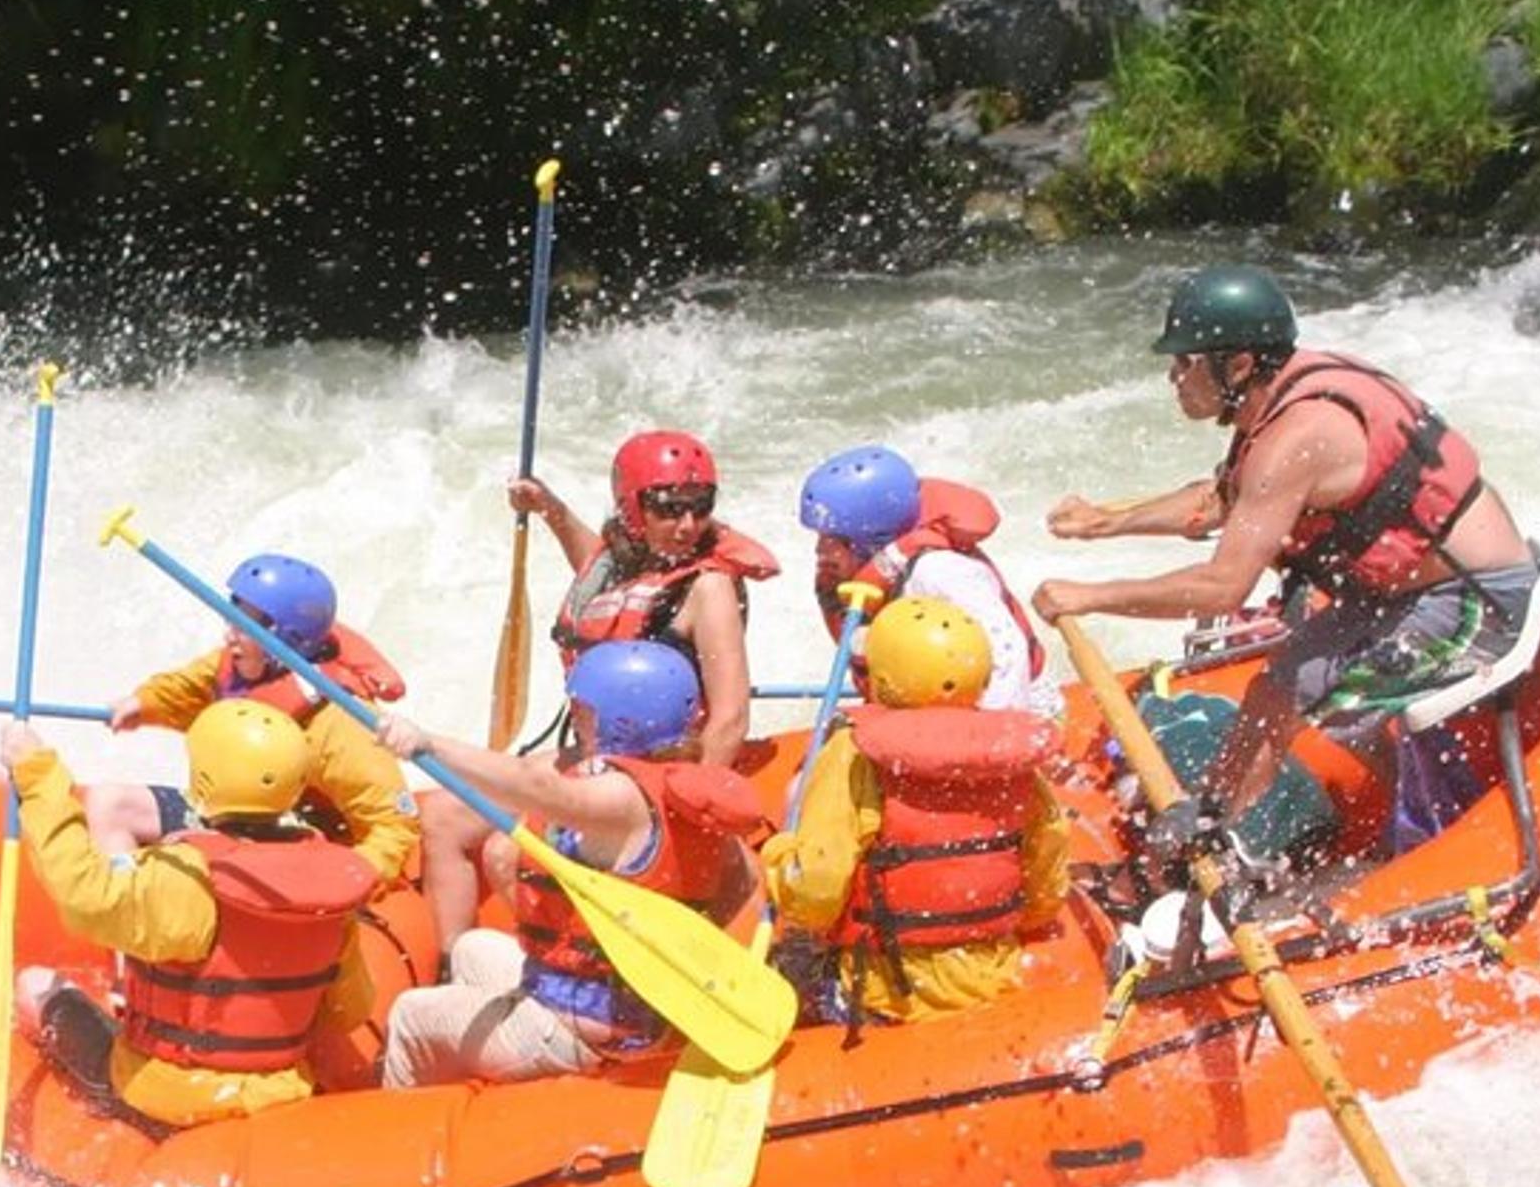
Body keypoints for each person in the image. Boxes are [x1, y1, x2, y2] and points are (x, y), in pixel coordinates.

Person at [1032, 264, 1538, 847]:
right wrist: (1109, 523)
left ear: (1239, 364)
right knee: (1293, 684)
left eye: (1185, 362)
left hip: (1476, 601)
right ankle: (1416, 817)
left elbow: (1222, 588)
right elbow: (1225, 499)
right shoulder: (1285, 392)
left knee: (1278, 695)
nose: (1173, 376)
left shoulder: (1295, 438)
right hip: (1414, 591)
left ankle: (1206, 847)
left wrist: (1091, 597)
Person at [418, 430, 777, 948]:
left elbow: (730, 718)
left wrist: (682, 815)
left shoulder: (708, 587)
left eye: (700, 508)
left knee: (504, 850)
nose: (687, 525)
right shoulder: (627, 558)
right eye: (668, 508)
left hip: (657, 770)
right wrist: (551, 510)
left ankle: (578, 969)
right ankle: (454, 963)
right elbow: (602, 582)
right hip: (595, 755)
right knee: (444, 819)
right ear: (633, 509)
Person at [375, 640, 763, 1088]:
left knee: (410, 1015)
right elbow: (744, 884)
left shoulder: (623, 799)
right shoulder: (685, 790)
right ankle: (480, 1079)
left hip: (578, 1030)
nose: (576, 718)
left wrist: (427, 744)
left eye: (584, 710)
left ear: (623, 721)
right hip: (623, 1005)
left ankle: (407, 1126)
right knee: (472, 947)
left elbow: (539, 787)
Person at [3, 700, 380, 1127]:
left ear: (202, 781)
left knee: (34, 985)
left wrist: (37, 775)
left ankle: (99, 1119)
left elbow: (83, 895)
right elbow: (350, 1009)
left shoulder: (185, 878)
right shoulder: (328, 888)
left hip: (169, 1100)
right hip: (279, 1095)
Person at [761, 598, 1068, 1027]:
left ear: (885, 678)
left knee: (790, 964)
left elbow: (816, 889)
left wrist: (776, 862)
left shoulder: (853, 754)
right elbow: (1046, 874)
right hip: (992, 975)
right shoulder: (1008, 758)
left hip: (881, 989)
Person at [83, 552, 420, 888]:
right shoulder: (237, 663)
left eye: (243, 628)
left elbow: (393, 826)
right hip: (224, 811)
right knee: (110, 803)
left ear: (284, 643)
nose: (229, 637)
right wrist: (142, 703)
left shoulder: (342, 722)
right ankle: (129, 919)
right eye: (231, 621)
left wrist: (349, 883)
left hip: (295, 834)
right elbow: (183, 689)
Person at [797, 444, 1062, 718]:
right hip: (927, 698)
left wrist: (994, 740)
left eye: (837, 541)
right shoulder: (844, 575)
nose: (821, 552)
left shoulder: (939, 572)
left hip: (1018, 707)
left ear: (875, 539)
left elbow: (1008, 654)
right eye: (820, 538)